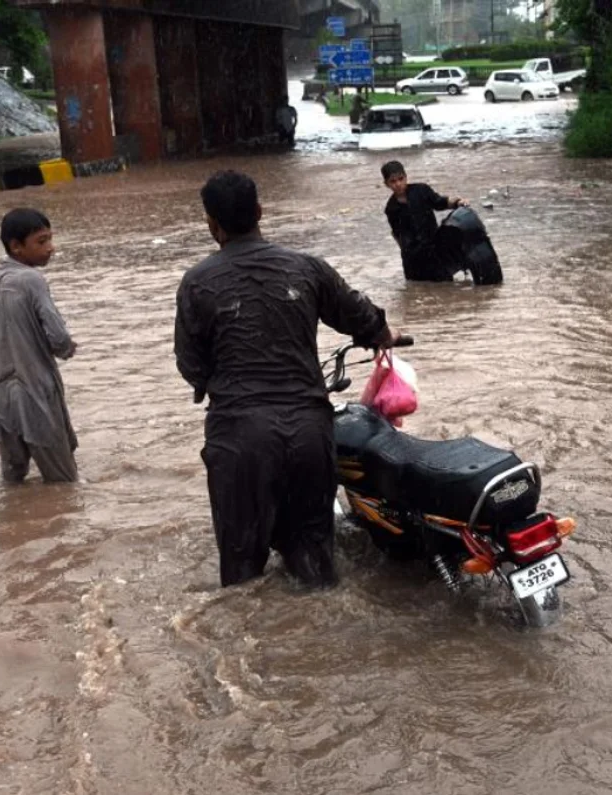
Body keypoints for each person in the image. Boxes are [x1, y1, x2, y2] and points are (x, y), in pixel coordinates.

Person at [175, 170, 403, 589]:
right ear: (261, 212)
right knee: (316, 567)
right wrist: (380, 335)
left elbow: (191, 365)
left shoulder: (197, 283)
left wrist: (210, 383)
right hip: (309, 433)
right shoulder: (306, 268)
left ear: (211, 224)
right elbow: (359, 313)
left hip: (240, 438)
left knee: (242, 573)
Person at [0, 208, 78, 484]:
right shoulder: (32, 279)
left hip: (1, 393)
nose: (51, 248)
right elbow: (58, 337)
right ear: (16, 247)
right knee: (63, 481)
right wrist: (67, 348)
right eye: (41, 241)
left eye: (50, 239)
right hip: (34, 391)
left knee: (14, 481)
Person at [381, 161, 468, 282]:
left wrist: (458, 202)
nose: (398, 184)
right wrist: (407, 253)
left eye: (401, 179)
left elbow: (440, 202)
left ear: (406, 177)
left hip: (434, 250)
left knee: (445, 285)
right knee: (419, 291)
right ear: (386, 184)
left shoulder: (421, 190)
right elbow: (397, 234)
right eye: (393, 181)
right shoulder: (391, 208)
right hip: (413, 258)